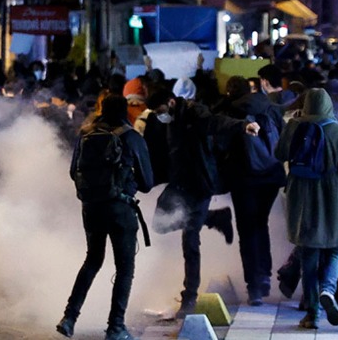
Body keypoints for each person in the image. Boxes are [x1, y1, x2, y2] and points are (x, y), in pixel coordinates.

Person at [57, 95, 153, 340]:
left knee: (92, 260)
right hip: (121, 209)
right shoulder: (132, 137)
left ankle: (69, 318)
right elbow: (147, 182)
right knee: (124, 269)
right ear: (126, 112)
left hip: (91, 208)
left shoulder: (86, 134)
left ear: (101, 109)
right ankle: (115, 327)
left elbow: (73, 172)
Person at [158, 90, 260, 316]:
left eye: (162, 110)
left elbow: (217, 122)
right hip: (179, 184)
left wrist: (243, 126)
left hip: (200, 184)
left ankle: (189, 297)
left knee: (190, 240)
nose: (160, 115)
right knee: (159, 223)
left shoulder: (196, 115)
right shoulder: (172, 120)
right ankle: (215, 217)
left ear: (172, 101)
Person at [275, 88, 338, 329]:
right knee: (334, 249)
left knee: (308, 255)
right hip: (333, 196)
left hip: (301, 197)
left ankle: (312, 314)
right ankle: (329, 290)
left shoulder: (294, 127)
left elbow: (279, 153)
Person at [217, 76, 286, 306]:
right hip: (271, 176)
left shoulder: (229, 112)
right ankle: (265, 275)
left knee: (247, 230)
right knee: (261, 223)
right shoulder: (271, 107)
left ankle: (254, 287)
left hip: (243, 178)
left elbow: (220, 144)